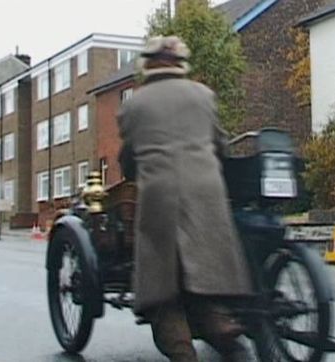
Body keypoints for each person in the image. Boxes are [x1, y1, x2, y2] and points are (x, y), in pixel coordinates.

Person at [117, 35, 253, 362]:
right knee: (205, 271)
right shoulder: (204, 95)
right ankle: (218, 322)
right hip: (206, 190)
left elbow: (129, 159)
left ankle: (181, 350)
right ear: (181, 64)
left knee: (163, 289)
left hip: (160, 196)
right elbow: (221, 146)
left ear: (146, 66)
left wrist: (137, 170)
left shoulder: (133, 105)